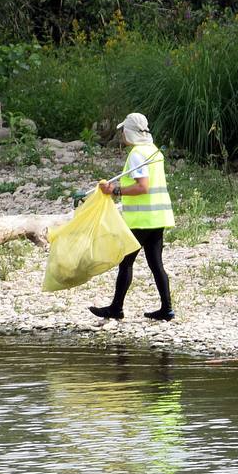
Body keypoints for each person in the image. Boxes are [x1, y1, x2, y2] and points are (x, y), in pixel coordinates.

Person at [89, 112, 176, 321]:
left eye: (123, 131)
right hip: (158, 217)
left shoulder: (137, 154)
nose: (121, 135)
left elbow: (142, 187)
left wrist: (115, 191)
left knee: (126, 263)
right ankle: (167, 309)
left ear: (129, 132)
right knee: (156, 264)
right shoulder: (153, 151)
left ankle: (116, 309)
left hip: (141, 220)